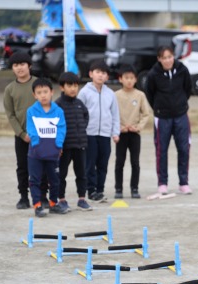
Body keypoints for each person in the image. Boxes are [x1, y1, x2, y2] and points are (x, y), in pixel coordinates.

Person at [145, 46, 193, 196]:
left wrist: (181, 103)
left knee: (184, 149)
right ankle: (162, 183)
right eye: (164, 58)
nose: (167, 60)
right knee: (161, 151)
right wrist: (159, 108)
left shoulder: (182, 70)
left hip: (181, 115)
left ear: (174, 57)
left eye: (170, 57)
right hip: (162, 117)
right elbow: (149, 93)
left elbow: (188, 89)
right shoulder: (153, 74)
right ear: (159, 59)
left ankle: (183, 183)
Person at [3, 51, 48, 209]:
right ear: (12, 68)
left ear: (29, 65)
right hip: (22, 136)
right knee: (22, 166)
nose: (19, 68)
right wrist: (22, 134)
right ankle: (23, 196)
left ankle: (43, 196)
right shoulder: (9, 89)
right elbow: (11, 114)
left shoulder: (39, 84)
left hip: (41, 135)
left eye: (22, 64)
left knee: (43, 166)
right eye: (16, 65)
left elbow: (47, 107)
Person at [78, 60, 120, 202]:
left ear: (107, 77)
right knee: (90, 163)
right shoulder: (84, 92)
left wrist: (115, 132)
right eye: (97, 72)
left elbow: (115, 114)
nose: (100, 76)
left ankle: (100, 189)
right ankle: (91, 190)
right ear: (91, 74)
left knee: (103, 163)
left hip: (105, 134)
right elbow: (79, 114)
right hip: (89, 134)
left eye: (103, 73)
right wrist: (80, 132)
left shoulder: (111, 94)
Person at [25, 78, 67, 217]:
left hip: (53, 151)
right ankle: (37, 205)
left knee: (55, 179)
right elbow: (30, 128)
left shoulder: (58, 111)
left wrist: (58, 145)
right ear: (34, 95)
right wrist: (36, 144)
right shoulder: (31, 111)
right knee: (35, 179)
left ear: (51, 92)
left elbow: (61, 129)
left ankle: (53, 203)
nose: (43, 95)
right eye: (39, 92)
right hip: (35, 152)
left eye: (45, 92)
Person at [55, 72, 92, 212]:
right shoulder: (57, 105)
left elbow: (85, 117)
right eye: (69, 85)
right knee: (61, 174)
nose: (73, 88)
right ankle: (61, 200)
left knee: (81, 173)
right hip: (64, 147)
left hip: (80, 145)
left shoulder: (79, 104)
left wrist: (81, 130)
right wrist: (58, 144)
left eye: (76, 85)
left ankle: (82, 199)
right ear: (62, 87)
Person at [114, 64, 152, 199]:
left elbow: (146, 114)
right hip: (121, 134)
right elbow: (112, 114)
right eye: (126, 77)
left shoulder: (140, 95)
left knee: (135, 162)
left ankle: (134, 188)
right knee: (119, 162)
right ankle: (118, 189)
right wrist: (118, 127)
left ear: (136, 79)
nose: (129, 80)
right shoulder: (116, 95)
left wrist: (138, 127)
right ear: (120, 79)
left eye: (131, 78)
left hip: (135, 134)